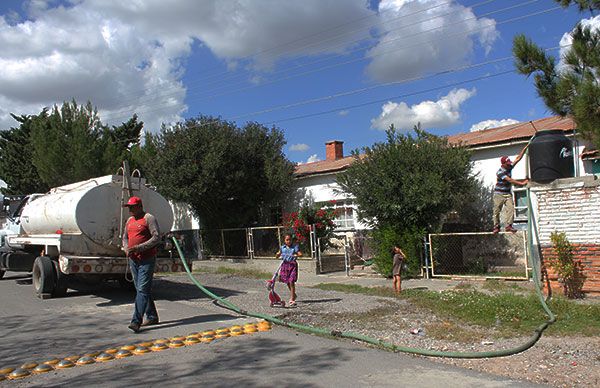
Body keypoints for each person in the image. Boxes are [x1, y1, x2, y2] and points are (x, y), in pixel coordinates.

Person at [122, 196, 161, 333]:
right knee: (141, 289)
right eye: (129, 207)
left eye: (132, 207)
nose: (130, 210)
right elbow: (125, 237)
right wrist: (126, 248)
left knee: (142, 289)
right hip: (133, 259)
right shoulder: (130, 220)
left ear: (139, 206)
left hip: (146, 259)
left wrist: (139, 248)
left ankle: (136, 321)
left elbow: (156, 237)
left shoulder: (149, 218)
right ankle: (151, 316)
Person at [493, 144, 529, 234]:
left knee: (511, 209)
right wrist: (522, 183)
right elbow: (510, 180)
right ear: (503, 164)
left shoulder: (509, 167)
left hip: (507, 193)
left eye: (509, 163)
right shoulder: (500, 172)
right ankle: (496, 226)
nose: (509, 164)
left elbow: (518, 158)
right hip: (499, 194)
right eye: (507, 163)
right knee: (497, 210)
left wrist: (525, 148)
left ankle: (509, 226)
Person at [275, 234, 302, 307]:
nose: (288, 241)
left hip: (292, 265)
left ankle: (292, 299)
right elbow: (277, 255)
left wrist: (297, 255)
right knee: (287, 281)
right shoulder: (282, 248)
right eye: (287, 240)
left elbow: (300, 254)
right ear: (284, 240)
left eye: (290, 240)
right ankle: (294, 294)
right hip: (285, 265)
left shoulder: (294, 247)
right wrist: (277, 255)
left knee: (291, 281)